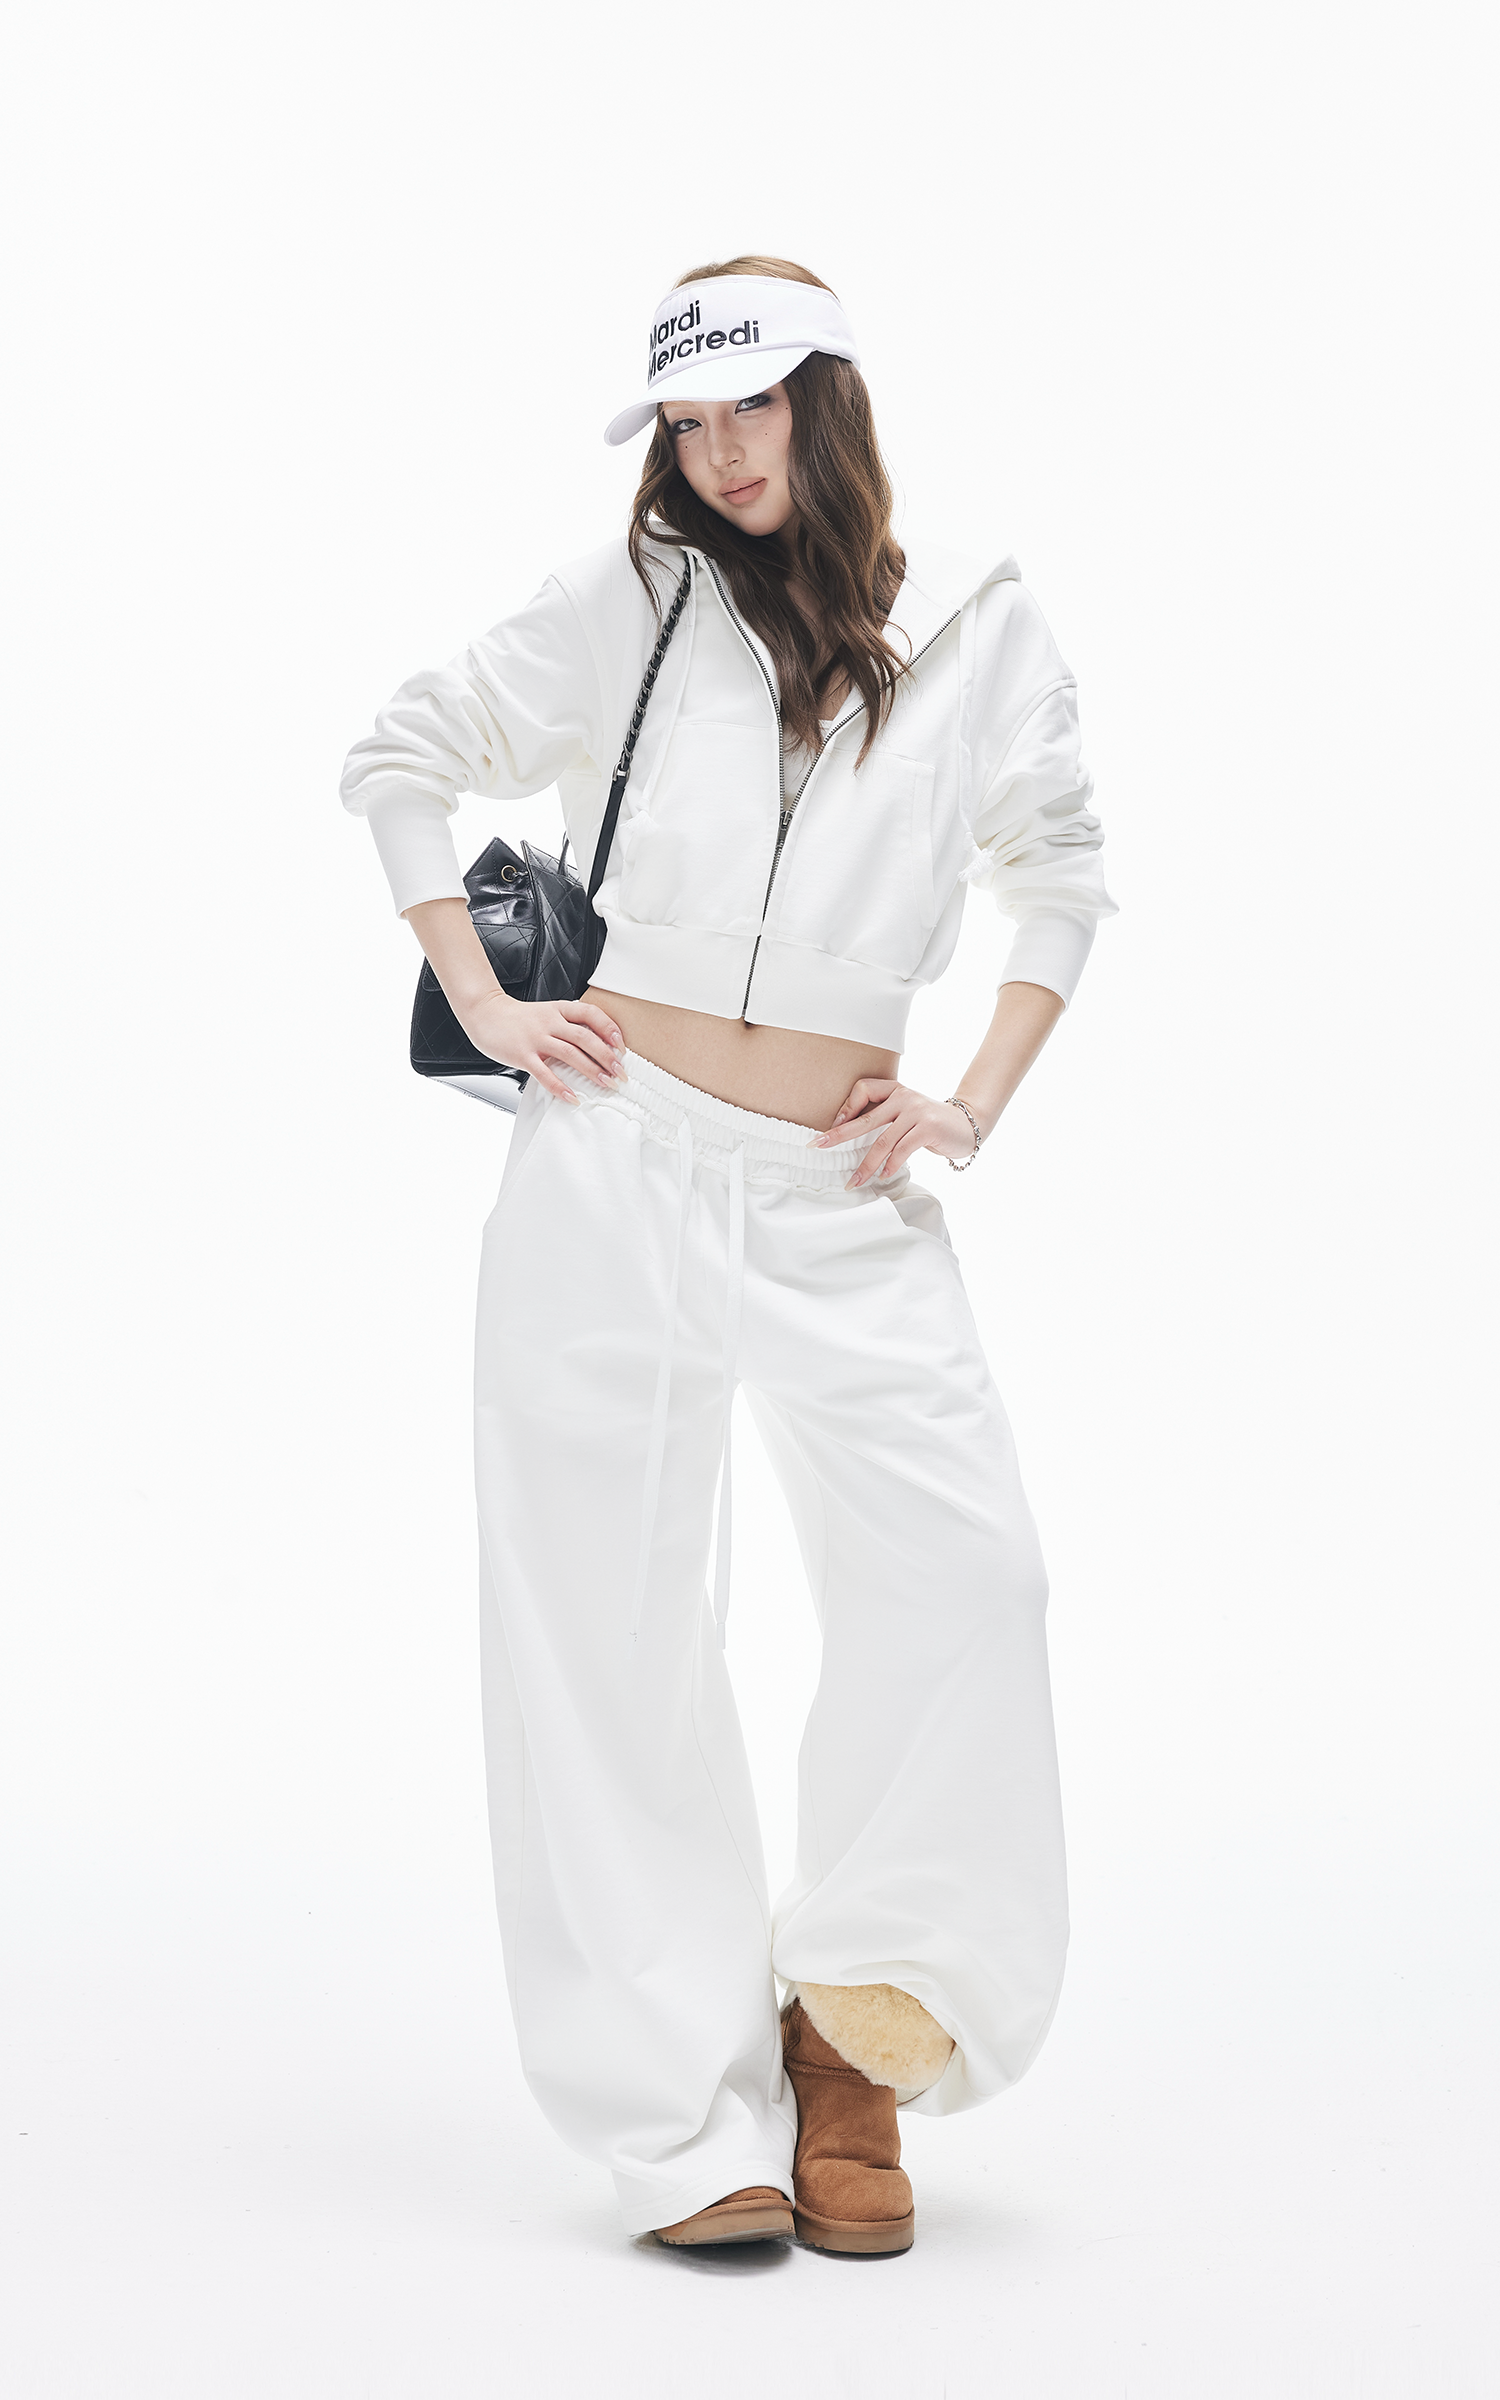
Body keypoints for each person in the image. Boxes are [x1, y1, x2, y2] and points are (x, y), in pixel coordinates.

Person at [340, 256, 1115, 2256]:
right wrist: (487, 1002)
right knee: (604, 1624)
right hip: (615, 1158)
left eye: (748, 407)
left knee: (972, 1578)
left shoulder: (981, 627)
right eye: (686, 423)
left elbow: (1060, 874)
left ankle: (854, 2029)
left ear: (825, 399)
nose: (716, 452)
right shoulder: (630, 596)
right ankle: (682, 2116)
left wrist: (967, 1105)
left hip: (840, 1191)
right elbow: (403, 754)